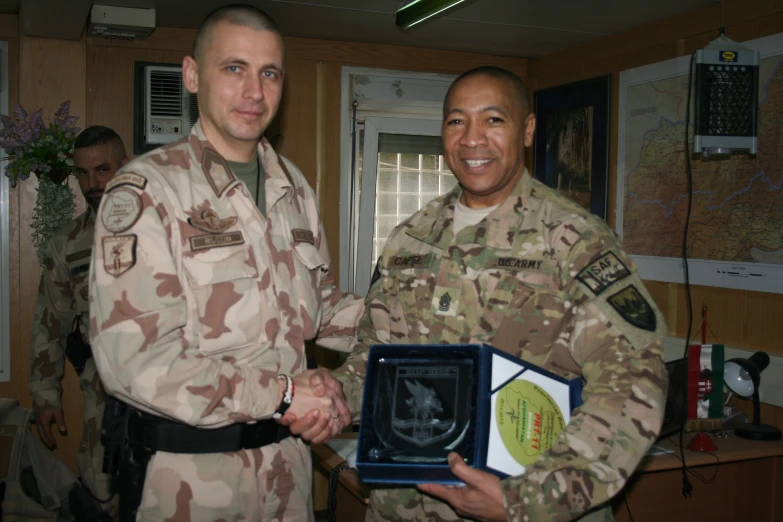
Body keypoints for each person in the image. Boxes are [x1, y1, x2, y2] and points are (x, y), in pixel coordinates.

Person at [331, 66, 668, 522]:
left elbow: (633, 383)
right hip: (404, 506)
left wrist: (528, 498)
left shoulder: (573, 240)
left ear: (527, 130)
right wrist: (334, 395)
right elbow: (376, 356)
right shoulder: (411, 238)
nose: (472, 139)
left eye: (493, 120)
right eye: (456, 121)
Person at [89, 4, 363, 522]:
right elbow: (137, 363)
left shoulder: (293, 187)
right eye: (234, 68)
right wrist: (283, 395)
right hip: (190, 482)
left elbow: (316, 308)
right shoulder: (148, 190)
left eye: (270, 73)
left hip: (288, 472)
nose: (254, 92)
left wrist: (413, 316)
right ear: (192, 75)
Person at [29, 125, 129, 519]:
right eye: (83, 173)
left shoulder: (167, 227)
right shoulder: (68, 243)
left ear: (127, 164)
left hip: (166, 393)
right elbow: (49, 323)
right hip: (101, 394)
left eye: (102, 169)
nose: (92, 183)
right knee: (104, 492)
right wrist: (45, 397)